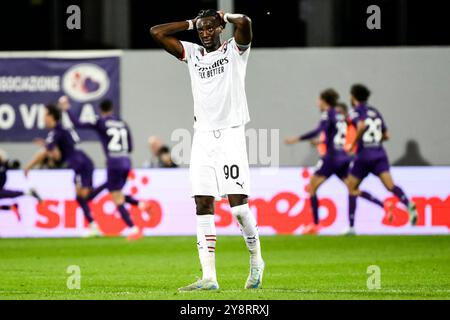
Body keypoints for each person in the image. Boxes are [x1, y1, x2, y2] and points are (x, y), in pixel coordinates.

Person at [151, 9, 264, 291]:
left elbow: (246, 22)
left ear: (221, 29)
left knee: (238, 209)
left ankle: (256, 259)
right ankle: (209, 277)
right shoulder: (192, 54)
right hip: (202, 137)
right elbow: (157, 32)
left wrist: (224, 16)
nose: (205, 33)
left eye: (211, 28)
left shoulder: (235, 51)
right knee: (202, 204)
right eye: (201, 29)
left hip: (231, 135)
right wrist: (191, 22)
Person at [285, 89, 389, 235]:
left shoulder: (328, 114)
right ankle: (383, 205)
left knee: (312, 188)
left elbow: (318, 130)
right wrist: (320, 141)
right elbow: (334, 136)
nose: (317, 103)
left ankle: (315, 226)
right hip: (343, 157)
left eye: (319, 100)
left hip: (331, 158)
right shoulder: (340, 116)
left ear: (324, 101)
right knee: (353, 189)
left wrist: (297, 139)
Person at [60, 96, 150, 241]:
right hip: (127, 161)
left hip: (113, 162)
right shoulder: (122, 123)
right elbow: (131, 147)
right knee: (114, 191)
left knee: (116, 196)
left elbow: (77, 124)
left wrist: (67, 109)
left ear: (101, 110)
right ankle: (140, 204)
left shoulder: (101, 122)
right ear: (112, 109)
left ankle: (133, 228)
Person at [345, 84, 418, 235]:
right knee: (390, 185)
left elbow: (361, 125)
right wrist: (375, 141)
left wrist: (353, 144)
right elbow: (387, 135)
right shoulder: (375, 112)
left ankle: (351, 227)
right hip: (379, 153)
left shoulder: (355, 111)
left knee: (351, 188)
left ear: (353, 96)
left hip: (364, 155)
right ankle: (407, 203)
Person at [24, 105, 104, 236]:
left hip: (79, 164)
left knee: (84, 196)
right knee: (81, 197)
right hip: (82, 161)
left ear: (51, 116)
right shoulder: (61, 129)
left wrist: (28, 166)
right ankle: (93, 225)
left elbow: (49, 153)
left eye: (45, 115)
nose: (43, 118)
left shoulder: (56, 132)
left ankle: (109, 186)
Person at [0, 150, 41, 220]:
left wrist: (11, 163)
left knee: (2, 193)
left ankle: (26, 193)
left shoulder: (3, 164)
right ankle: (12, 206)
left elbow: (12, 164)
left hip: (1, 180)